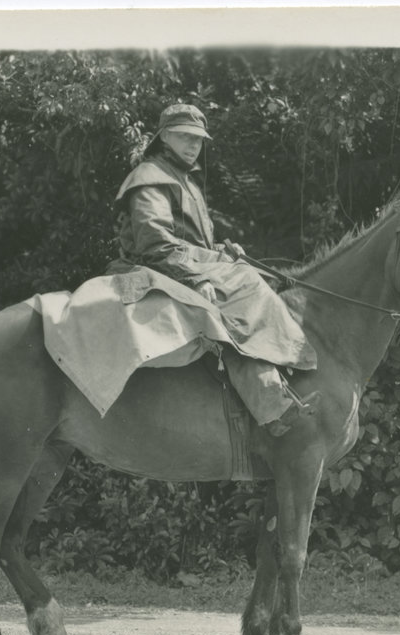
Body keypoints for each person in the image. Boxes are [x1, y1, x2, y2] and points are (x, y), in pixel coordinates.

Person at [112, 103, 320, 436]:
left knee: (262, 279)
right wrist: (198, 276)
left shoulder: (184, 179)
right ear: (164, 136)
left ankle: (282, 374)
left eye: (198, 139)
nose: (194, 146)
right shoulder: (149, 177)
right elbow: (155, 244)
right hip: (152, 269)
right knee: (244, 292)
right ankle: (269, 406)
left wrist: (222, 251)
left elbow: (189, 240)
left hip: (179, 262)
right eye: (184, 137)